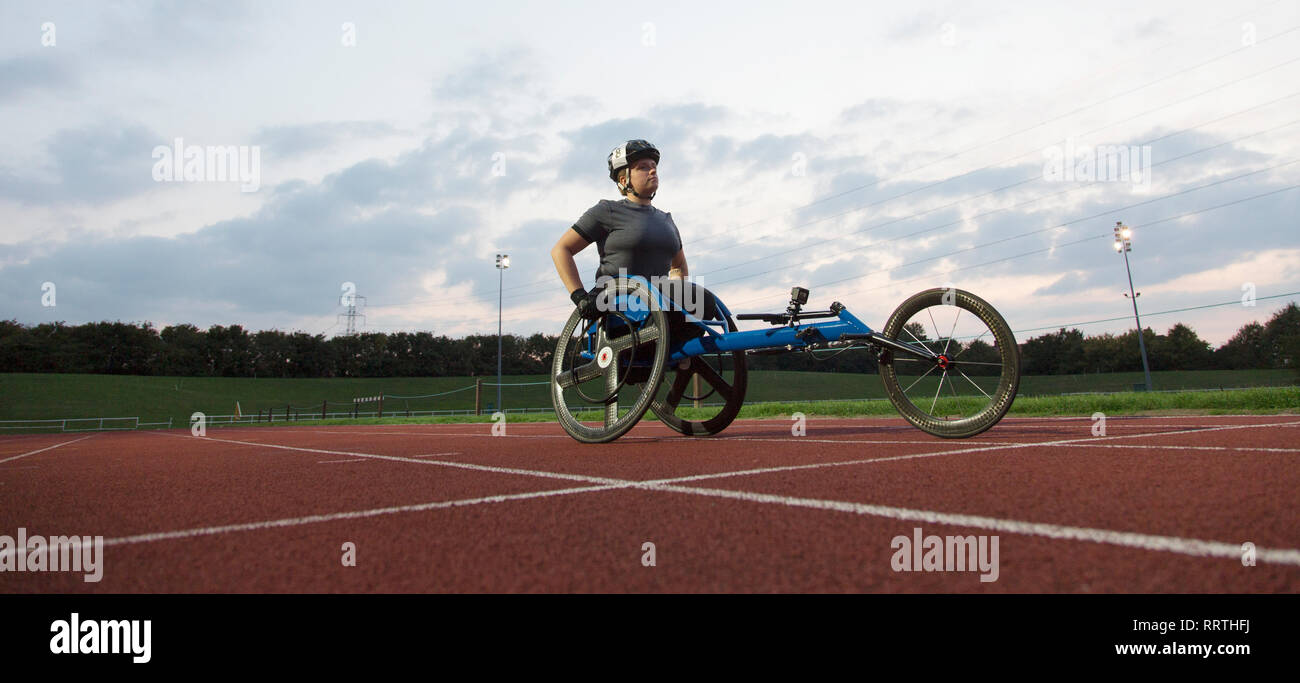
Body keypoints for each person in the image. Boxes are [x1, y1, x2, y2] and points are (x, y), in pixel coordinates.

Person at [550, 139, 716, 325]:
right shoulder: (607, 210)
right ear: (624, 180)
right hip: (619, 305)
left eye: (654, 166)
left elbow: (678, 266)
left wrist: (676, 289)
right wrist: (579, 297)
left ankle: (683, 347)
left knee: (703, 302)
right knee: (699, 300)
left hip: (657, 302)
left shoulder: (667, 220)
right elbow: (561, 250)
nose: (652, 170)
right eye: (643, 167)